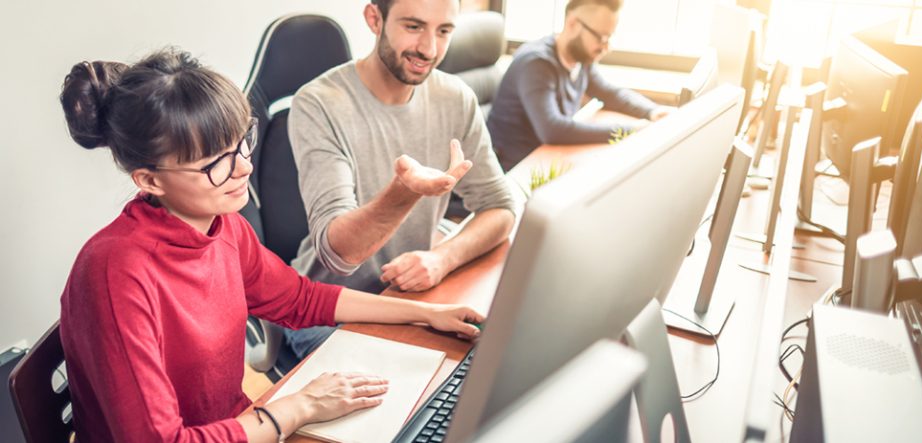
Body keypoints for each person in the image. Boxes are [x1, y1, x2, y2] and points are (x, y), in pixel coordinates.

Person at [58, 48, 484, 443]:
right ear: (149, 180)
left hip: (243, 426)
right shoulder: (115, 272)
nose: (244, 166)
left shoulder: (224, 227)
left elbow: (302, 300)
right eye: (216, 162)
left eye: (242, 141)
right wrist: (301, 406)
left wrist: (428, 315)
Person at [285, 0, 517, 359]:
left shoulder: (456, 98)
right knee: (413, 395)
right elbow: (339, 255)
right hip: (329, 311)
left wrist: (441, 259)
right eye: (413, 26)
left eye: (444, 31)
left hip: (411, 300)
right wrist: (405, 192)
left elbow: (500, 208)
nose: (429, 49)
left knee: (486, 371)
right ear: (374, 19)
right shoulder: (319, 103)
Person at [486, 0, 672, 171]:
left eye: (609, 38)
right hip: (516, 170)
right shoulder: (536, 64)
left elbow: (610, 94)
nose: (606, 47)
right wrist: (629, 132)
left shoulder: (580, 60)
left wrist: (652, 111)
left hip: (546, 159)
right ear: (573, 24)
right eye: (601, 37)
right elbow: (552, 130)